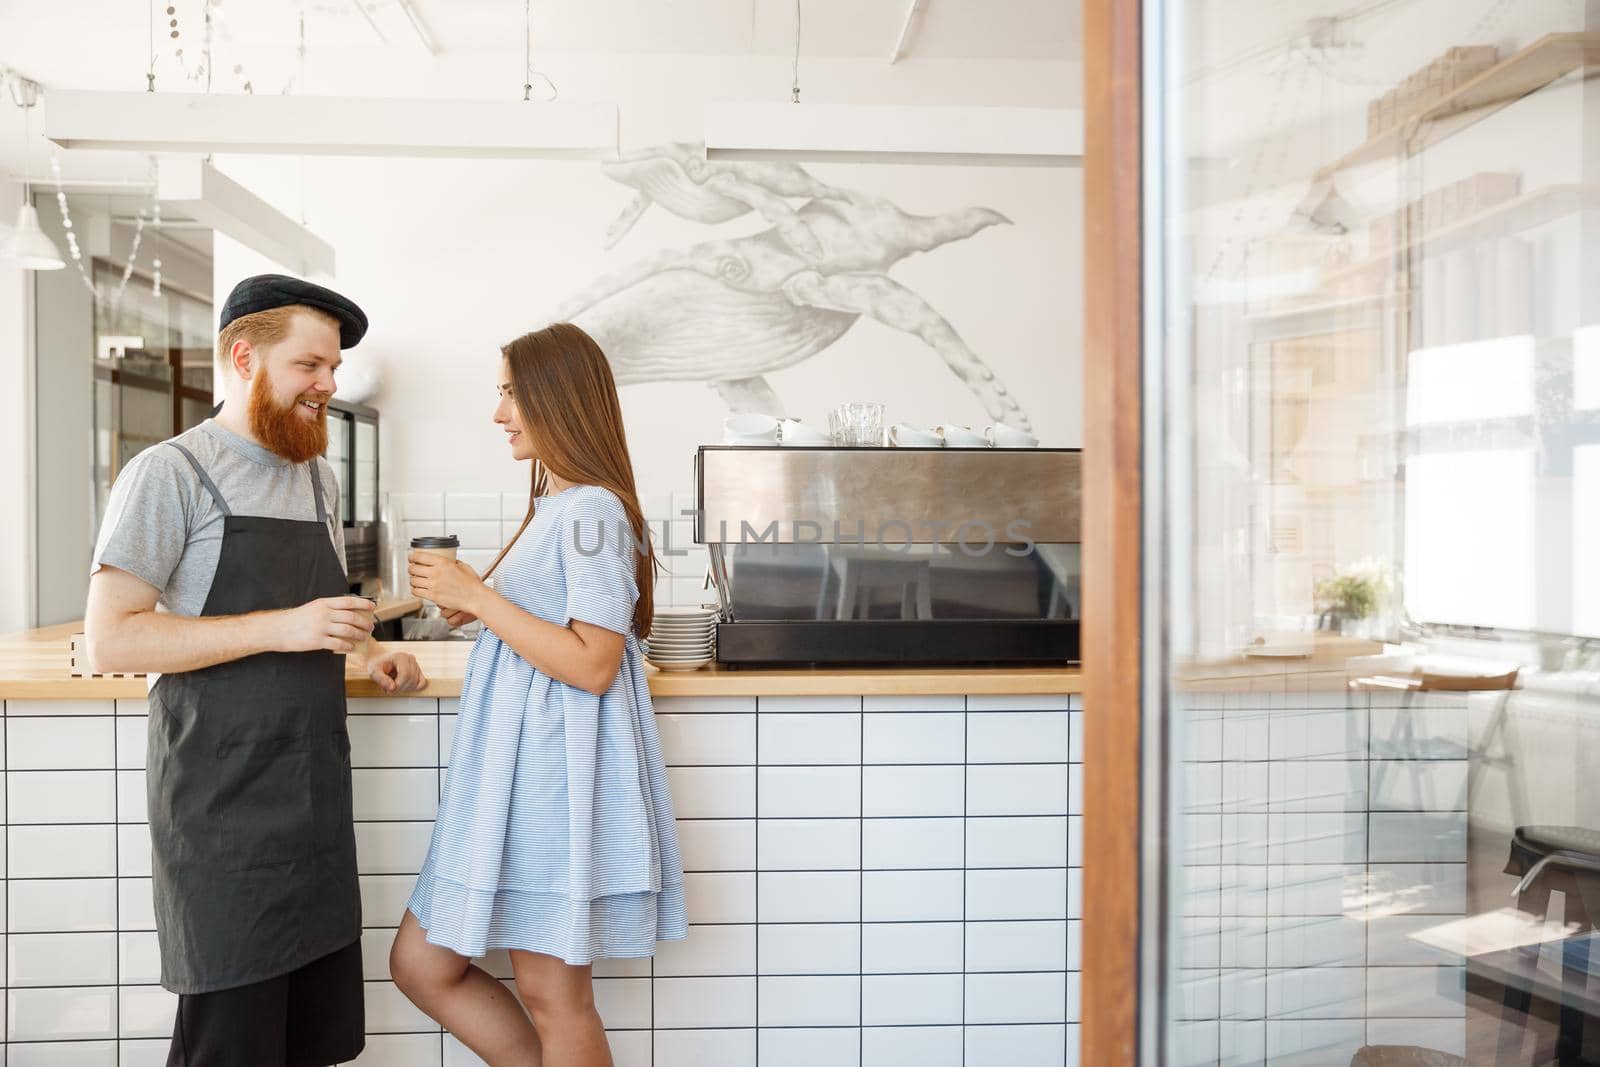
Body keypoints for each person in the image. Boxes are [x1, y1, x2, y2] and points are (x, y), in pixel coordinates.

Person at [84, 274, 429, 1067]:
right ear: (244, 357)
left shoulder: (317, 477)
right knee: (228, 1051)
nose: (329, 385)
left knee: (311, 1049)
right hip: (222, 821)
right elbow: (113, 641)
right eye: (311, 365)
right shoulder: (169, 473)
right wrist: (287, 625)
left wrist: (375, 653)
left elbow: (324, 619)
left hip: (312, 817)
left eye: (334, 368)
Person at [391, 322, 686, 1067]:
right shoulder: (559, 505)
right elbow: (548, 626)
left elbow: (593, 661)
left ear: (558, 400)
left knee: (556, 998)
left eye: (511, 394)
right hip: (516, 781)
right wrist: (477, 604)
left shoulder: (591, 508)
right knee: (423, 963)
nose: (499, 414)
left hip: (551, 780)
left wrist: (482, 600)